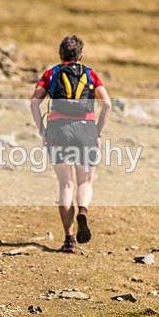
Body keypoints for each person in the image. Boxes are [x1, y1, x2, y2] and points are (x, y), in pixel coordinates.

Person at [29, 35, 112, 253]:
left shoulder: (51, 73)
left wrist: (42, 130)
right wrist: (97, 132)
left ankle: (69, 239)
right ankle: (83, 210)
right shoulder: (90, 73)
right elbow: (108, 104)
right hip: (86, 129)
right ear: (81, 56)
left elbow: (34, 102)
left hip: (58, 130)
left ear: (60, 55)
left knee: (66, 185)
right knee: (85, 182)